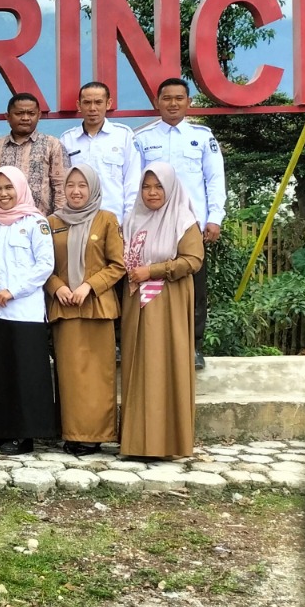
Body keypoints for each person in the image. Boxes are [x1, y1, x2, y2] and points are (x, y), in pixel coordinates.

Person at [133, 77, 225, 369]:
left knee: (194, 286)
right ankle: (149, 342)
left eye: (179, 98)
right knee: (147, 282)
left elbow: (214, 178)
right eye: (166, 98)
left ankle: (194, 346)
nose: (173, 103)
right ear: (157, 102)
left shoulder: (201, 137)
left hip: (189, 224)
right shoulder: (143, 139)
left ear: (189, 102)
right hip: (151, 223)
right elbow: (133, 184)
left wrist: (214, 218)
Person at [0, 166, 58, 454]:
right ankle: (2, 430)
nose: (3, 194)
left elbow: (44, 265)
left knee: (26, 373)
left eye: (9, 188)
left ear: (19, 189)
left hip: (24, 311)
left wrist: (11, 291)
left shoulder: (35, 222)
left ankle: (25, 434)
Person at [120, 164, 205, 461]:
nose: (152, 193)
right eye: (146, 187)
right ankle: (136, 443)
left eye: (158, 187)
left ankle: (165, 442)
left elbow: (193, 260)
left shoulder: (182, 219)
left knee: (163, 365)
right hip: (135, 302)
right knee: (136, 365)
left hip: (168, 300)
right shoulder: (133, 218)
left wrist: (153, 270)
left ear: (170, 188)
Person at [47, 165, 126, 453]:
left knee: (97, 375)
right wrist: (58, 287)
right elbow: (43, 264)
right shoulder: (52, 222)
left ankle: (94, 435)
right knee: (69, 375)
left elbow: (118, 265)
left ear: (92, 188)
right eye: (70, 185)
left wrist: (89, 286)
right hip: (64, 307)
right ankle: (72, 432)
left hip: (97, 308)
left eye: (82, 185)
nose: (76, 191)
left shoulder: (106, 220)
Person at [60, 81, 140, 223]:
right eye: (87, 103)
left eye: (98, 102)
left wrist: (129, 221)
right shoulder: (67, 139)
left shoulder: (123, 136)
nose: (92, 108)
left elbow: (132, 182)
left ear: (108, 104)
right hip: (77, 221)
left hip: (115, 219)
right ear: (79, 105)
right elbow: (61, 184)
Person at [0, 91, 68, 216]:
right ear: (7, 117)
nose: (25, 118)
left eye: (31, 113)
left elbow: (61, 187)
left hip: (41, 222)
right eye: (19, 113)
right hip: (1, 222)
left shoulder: (52, 144)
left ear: (39, 115)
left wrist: (58, 221)